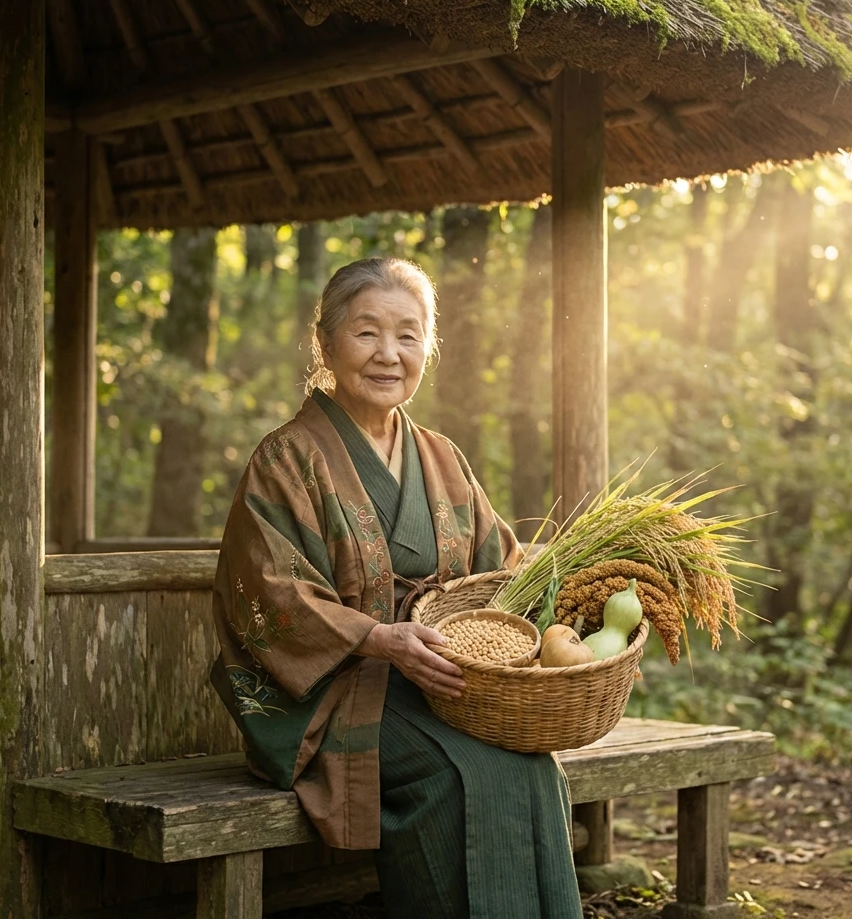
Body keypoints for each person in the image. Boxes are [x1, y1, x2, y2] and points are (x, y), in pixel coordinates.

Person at [211, 256, 583, 919]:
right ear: (325, 343)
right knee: (461, 774)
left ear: (428, 347)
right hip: (339, 693)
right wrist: (378, 638)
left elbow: (501, 568)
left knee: (531, 765)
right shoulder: (286, 457)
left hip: (444, 684)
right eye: (366, 333)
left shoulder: (443, 456)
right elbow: (269, 592)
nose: (389, 354)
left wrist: (570, 614)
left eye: (408, 335)